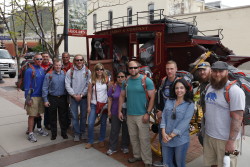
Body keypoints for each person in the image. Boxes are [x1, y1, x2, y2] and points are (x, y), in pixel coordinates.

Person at [203, 61, 245, 167]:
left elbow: (238, 119)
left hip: (225, 140)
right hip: (209, 137)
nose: (217, 74)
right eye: (215, 71)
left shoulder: (235, 91)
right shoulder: (209, 87)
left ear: (227, 72)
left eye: (221, 71)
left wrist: (231, 142)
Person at [119, 61, 155, 167]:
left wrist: (148, 113)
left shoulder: (146, 81)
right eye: (130, 68)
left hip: (142, 114)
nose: (133, 69)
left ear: (139, 68)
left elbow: (152, 97)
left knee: (144, 138)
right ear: (128, 69)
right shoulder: (126, 82)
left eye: (135, 67)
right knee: (133, 137)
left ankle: (147, 161)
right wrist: (119, 110)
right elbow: (122, 96)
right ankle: (137, 155)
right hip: (130, 114)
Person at [160, 78, 194, 167]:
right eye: (176, 88)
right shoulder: (169, 100)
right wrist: (163, 133)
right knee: (166, 163)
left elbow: (185, 122)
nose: (179, 90)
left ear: (186, 89)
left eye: (181, 88)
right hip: (166, 138)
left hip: (180, 140)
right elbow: (164, 116)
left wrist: (171, 136)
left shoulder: (190, 104)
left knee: (180, 164)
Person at [153, 60, 178, 167]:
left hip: (175, 117)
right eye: (167, 69)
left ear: (176, 69)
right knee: (163, 140)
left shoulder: (180, 83)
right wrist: (158, 111)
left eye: (172, 68)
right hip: (163, 116)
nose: (169, 71)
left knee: (175, 141)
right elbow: (158, 96)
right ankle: (165, 162)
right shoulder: (163, 81)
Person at [65, 54, 91, 142]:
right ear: (74, 61)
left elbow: (89, 85)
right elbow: (67, 85)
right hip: (73, 98)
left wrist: (82, 95)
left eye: (81, 60)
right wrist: (74, 95)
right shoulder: (70, 72)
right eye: (77, 60)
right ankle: (76, 133)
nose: (79, 62)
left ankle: (83, 132)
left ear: (83, 61)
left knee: (84, 116)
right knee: (74, 117)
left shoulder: (88, 71)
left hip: (83, 98)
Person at [24, 53, 49, 143]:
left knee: (39, 114)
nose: (39, 61)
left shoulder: (42, 69)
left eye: (41, 59)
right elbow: (27, 85)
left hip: (41, 96)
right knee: (32, 115)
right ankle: (30, 133)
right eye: (37, 59)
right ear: (34, 60)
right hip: (33, 96)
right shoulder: (29, 70)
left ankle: (39, 129)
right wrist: (28, 98)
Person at [42, 59, 68, 140]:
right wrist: (45, 100)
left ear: (61, 65)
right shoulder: (49, 75)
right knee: (52, 117)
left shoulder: (65, 74)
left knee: (63, 117)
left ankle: (64, 133)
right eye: (56, 65)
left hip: (63, 98)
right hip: (52, 98)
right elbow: (45, 88)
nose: (58, 67)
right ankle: (54, 134)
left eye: (59, 65)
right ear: (53, 65)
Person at [85, 63, 109, 149]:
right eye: (98, 69)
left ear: (103, 70)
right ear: (95, 71)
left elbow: (109, 92)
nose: (100, 71)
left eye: (101, 69)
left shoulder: (107, 79)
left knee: (103, 123)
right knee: (91, 123)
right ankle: (90, 140)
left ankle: (101, 139)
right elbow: (89, 93)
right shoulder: (92, 80)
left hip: (104, 104)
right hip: (94, 104)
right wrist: (88, 106)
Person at [106, 71, 130, 155]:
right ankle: (112, 147)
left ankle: (125, 146)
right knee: (114, 130)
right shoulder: (113, 87)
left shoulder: (128, 86)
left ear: (125, 77)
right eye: (118, 77)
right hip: (115, 111)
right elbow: (110, 99)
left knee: (125, 130)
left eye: (122, 76)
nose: (120, 78)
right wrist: (109, 111)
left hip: (127, 111)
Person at [196, 61, 211, 146]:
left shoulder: (215, 83)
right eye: (200, 70)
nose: (202, 72)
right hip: (206, 116)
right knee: (202, 137)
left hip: (214, 119)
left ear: (210, 70)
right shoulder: (203, 82)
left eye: (204, 70)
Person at [41, 52, 53, 130]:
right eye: (44, 57)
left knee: (48, 109)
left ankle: (48, 123)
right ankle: (38, 125)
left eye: (46, 56)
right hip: (39, 90)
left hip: (49, 90)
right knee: (39, 110)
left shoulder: (52, 66)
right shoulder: (39, 66)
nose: (45, 58)